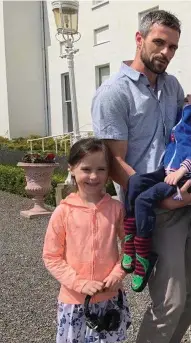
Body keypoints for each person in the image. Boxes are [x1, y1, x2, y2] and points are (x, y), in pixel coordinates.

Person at [91, 10, 191, 343]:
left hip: (187, 201)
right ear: (139, 39)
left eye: (173, 46)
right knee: (170, 302)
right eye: (159, 42)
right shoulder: (113, 93)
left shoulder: (173, 86)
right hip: (154, 207)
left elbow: (189, 126)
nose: (166, 52)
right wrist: (162, 198)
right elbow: (115, 162)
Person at [121, 89, 191, 293]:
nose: (190, 94)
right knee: (135, 183)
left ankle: (143, 258)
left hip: (186, 174)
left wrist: (183, 169)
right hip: (169, 170)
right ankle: (129, 239)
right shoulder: (183, 115)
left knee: (143, 201)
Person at [42, 138, 131, 343]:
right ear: (72, 169)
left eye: (101, 169)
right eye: (86, 169)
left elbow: (130, 246)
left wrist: (118, 273)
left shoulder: (116, 209)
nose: (93, 176)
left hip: (110, 299)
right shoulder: (63, 212)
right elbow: (51, 256)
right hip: (74, 301)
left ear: (109, 172)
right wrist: (79, 283)